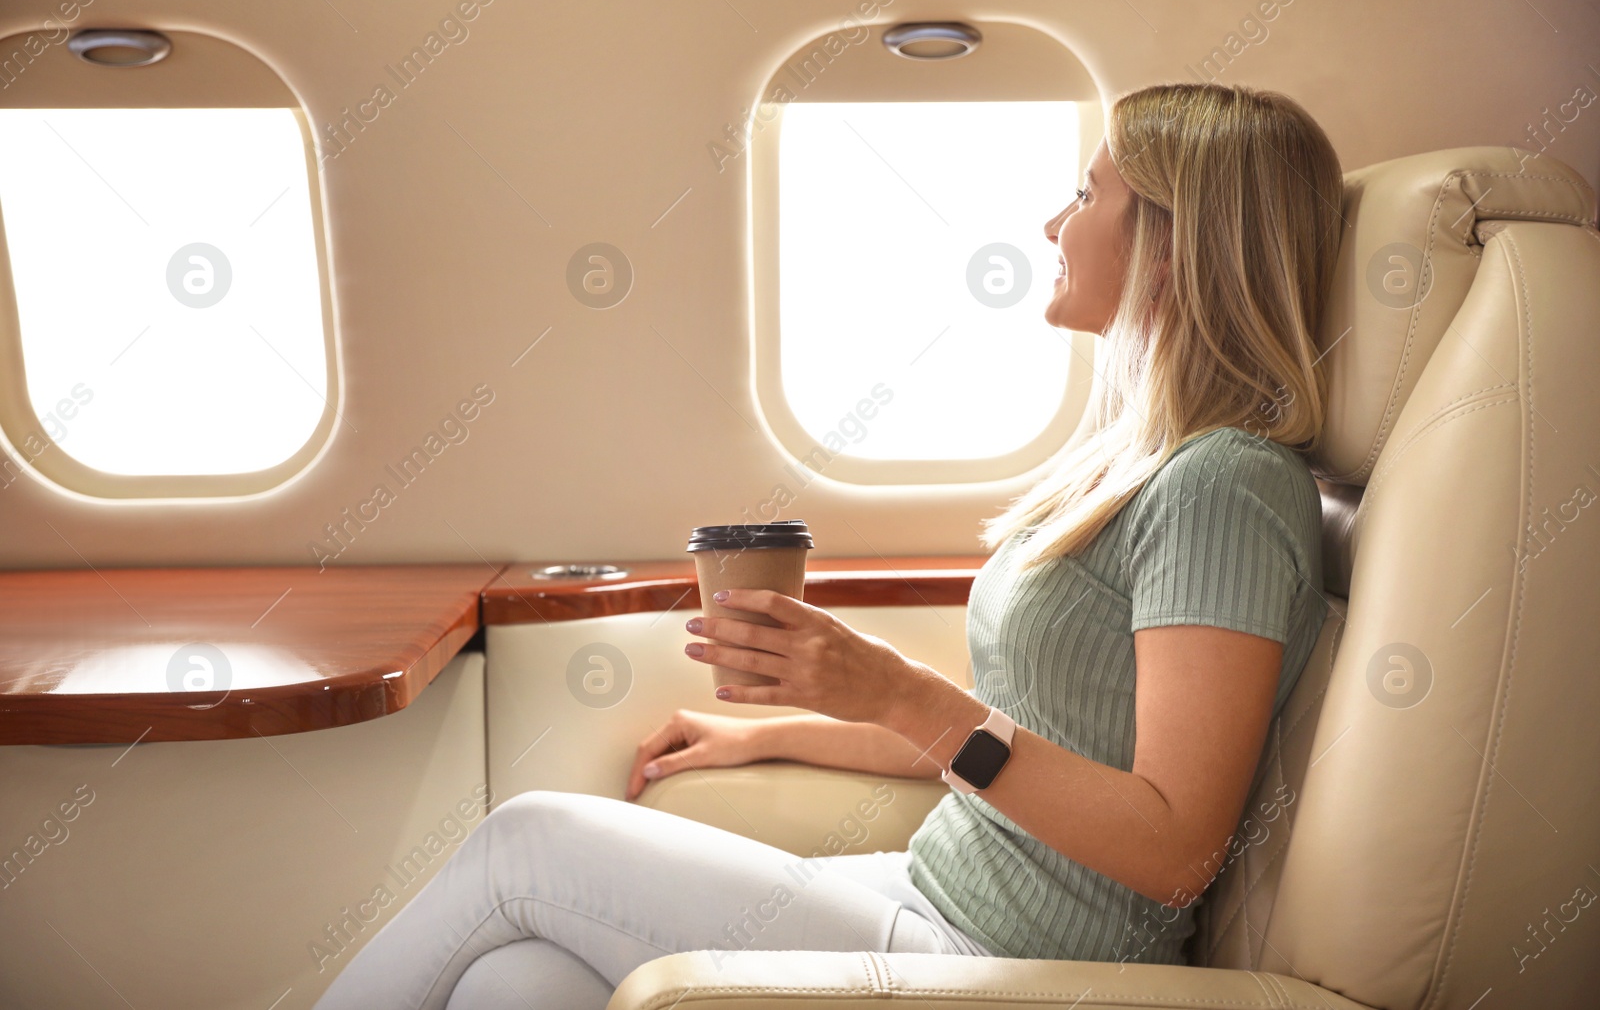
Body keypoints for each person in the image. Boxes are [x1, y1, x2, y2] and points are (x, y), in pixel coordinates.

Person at [311, 81, 1343, 1009]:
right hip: (938, 894)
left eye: (1084, 195)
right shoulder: (1142, 459)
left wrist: (899, 690)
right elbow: (1023, 735)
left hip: (1012, 959)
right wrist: (768, 732)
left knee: (523, 840)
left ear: (1172, 243)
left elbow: (1173, 846)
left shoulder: (1229, 486)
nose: (1052, 222)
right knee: (515, 981)